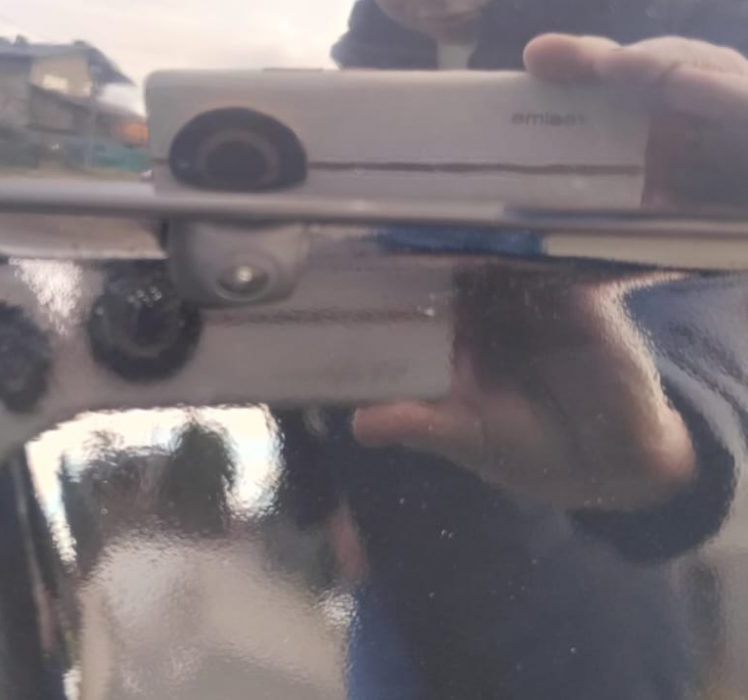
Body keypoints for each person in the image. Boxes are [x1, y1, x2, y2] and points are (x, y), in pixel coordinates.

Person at [273, 1, 748, 697]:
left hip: (585, 571)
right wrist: (324, 493)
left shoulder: (655, 32)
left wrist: (682, 420)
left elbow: (719, 262)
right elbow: (301, 286)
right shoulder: (366, 64)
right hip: (398, 561)